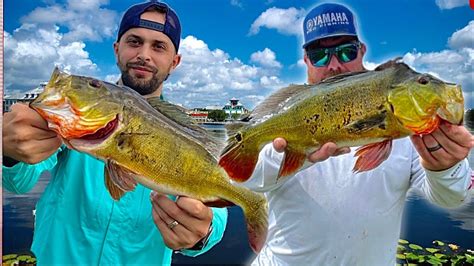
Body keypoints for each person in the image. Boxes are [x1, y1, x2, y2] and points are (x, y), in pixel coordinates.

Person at [242, 3, 474, 265]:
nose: (333, 65)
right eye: (319, 55)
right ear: (305, 60)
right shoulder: (286, 114)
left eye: (346, 52)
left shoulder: (408, 131)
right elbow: (247, 180)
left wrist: (446, 168)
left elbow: (452, 197)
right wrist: (293, 153)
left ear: (362, 51)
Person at [2, 1, 227, 264]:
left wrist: (204, 232)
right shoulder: (78, 112)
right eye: (134, 41)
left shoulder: (186, 133)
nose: (144, 54)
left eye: (158, 46)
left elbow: (216, 202)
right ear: (117, 49)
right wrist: (8, 152)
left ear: (174, 62)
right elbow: (17, 182)